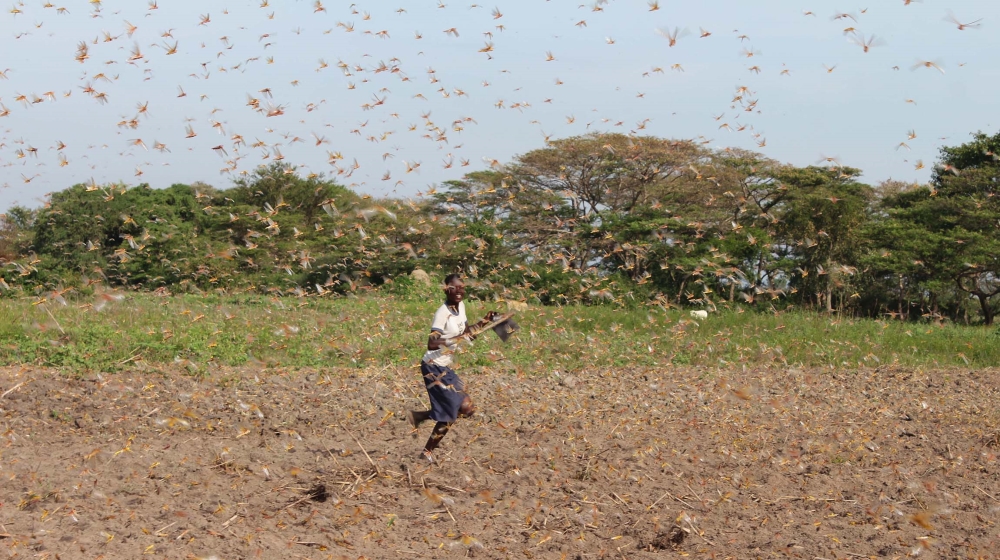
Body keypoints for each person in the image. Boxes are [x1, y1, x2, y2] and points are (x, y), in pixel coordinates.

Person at [407, 273, 499, 462]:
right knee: (451, 414)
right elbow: (431, 343)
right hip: (432, 367)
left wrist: (486, 320)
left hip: (446, 368)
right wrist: (454, 340)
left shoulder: (461, 307)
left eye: (462, 288)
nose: (458, 291)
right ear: (446, 289)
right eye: (454, 288)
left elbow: (467, 334)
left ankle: (421, 416)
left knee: (466, 408)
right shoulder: (442, 313)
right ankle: (427, 453)